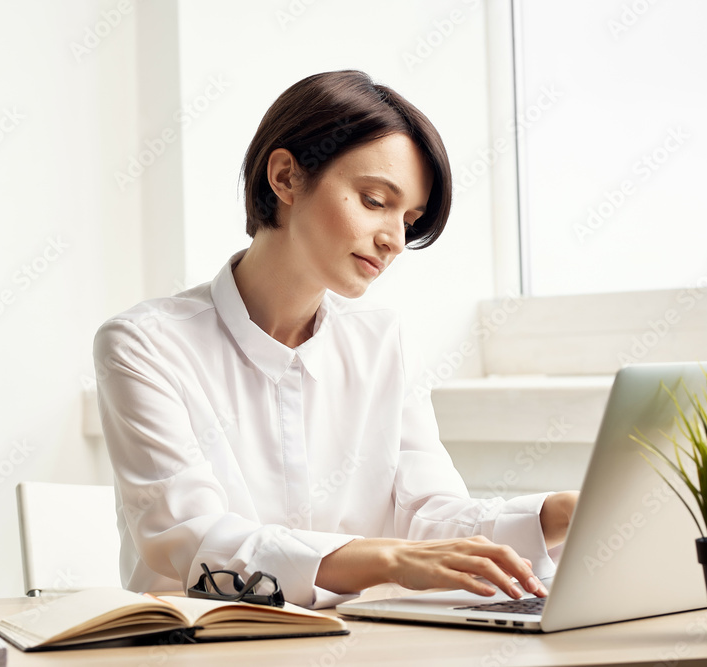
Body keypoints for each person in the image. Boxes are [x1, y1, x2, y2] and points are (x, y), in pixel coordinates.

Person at [93, 70, 578, 609]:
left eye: (409, 218)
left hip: (358, 642)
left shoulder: (380, 339)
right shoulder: (143, 345)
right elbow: (190, 541)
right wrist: (388, 560)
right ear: (285, 178)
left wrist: (559, 513)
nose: (394, 239)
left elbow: (429, 516)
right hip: (202, 645)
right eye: (374, 200)